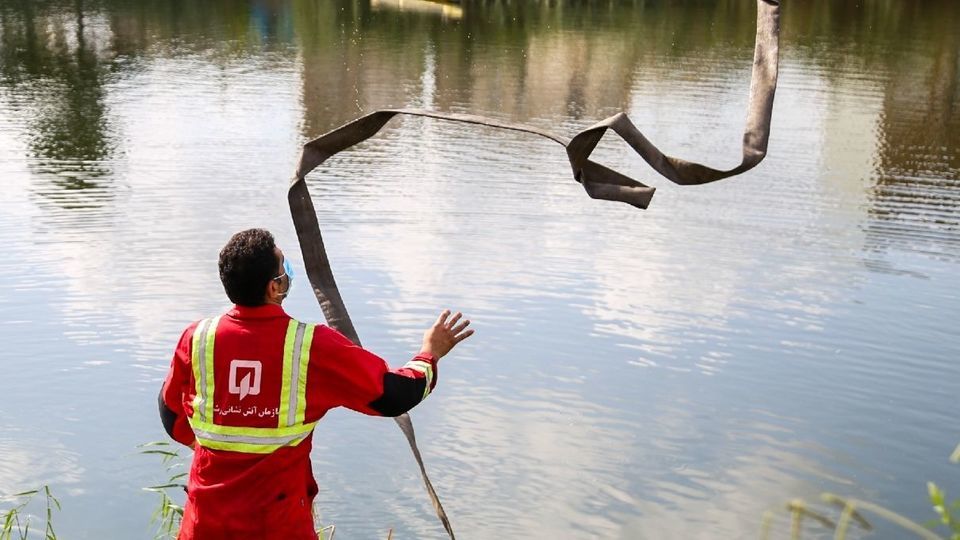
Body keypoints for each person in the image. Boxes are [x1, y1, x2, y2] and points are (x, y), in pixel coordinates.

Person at [158, 228, 473, 539]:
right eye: (284, 269)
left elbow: (170, 412)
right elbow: (393, 396)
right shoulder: (310, 347)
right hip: (278, 529)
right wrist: (430, 354)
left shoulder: (197, 338)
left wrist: (212, 448)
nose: (287, 275)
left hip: (205, 526)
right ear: (274, 288)